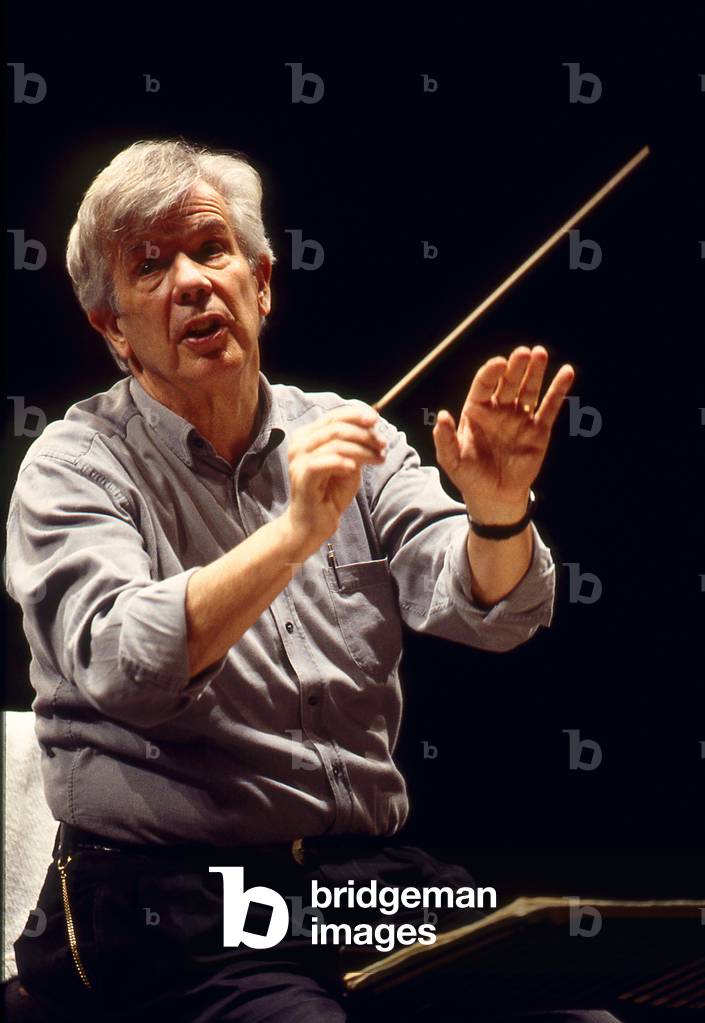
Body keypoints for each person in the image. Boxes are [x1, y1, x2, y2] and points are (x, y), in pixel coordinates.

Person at [5, 140, 621, 1023]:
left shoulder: (342, 430)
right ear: (112, 328)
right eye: (149, 265)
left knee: (579, 1013)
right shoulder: (74, 465)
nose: (189, 281)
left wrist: (497, 509)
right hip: (164, 899)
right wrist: (294, 533)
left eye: (210, 250)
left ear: (260, 283)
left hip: (355, 885)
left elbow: (493, 609)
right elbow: (124, 665)